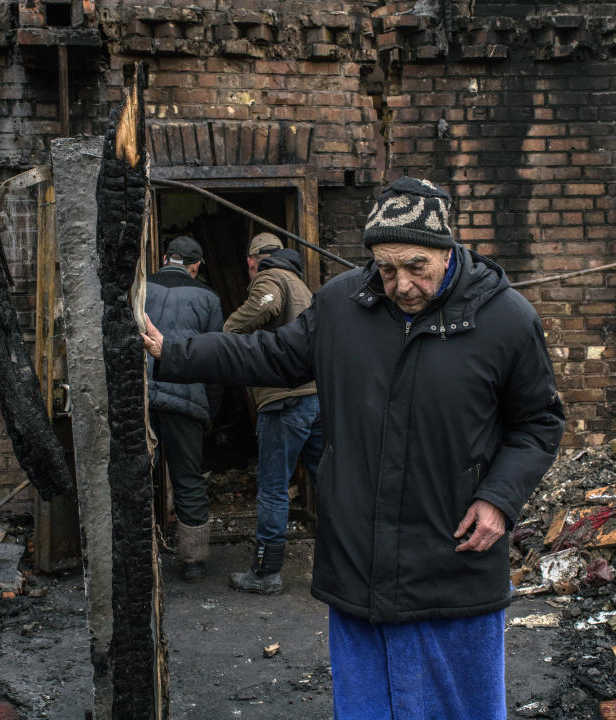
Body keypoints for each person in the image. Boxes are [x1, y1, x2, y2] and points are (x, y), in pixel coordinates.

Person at [142, 177, 564, 718]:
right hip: (359, 556)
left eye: (417, 268)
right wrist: (172, 351)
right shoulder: (342, 305)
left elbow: (539, 423)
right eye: (387, 268)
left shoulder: (506, 319)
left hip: (452, 556)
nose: (402, 284)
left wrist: (500, 499)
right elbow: (268, 355)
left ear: (448, 249)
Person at [222, 232, 323, 596]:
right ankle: (343, 562)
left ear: (253, 260)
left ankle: (266, 573)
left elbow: (265, 305)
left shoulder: (270, 276)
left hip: (284, 400)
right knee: (328, 480)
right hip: (314, 397)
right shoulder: (302, 285)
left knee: (273, 488)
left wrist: (227, 334)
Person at [145, 235, 223, 583]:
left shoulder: (140, 289)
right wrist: (211, 408)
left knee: (135, 475)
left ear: (164, 258)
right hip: (186, 398)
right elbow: (215, 358)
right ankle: (192, 562)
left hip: (141, 395)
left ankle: (135, 556)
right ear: (196, 267)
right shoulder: (207, 297)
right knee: (188, 477)